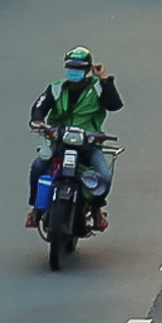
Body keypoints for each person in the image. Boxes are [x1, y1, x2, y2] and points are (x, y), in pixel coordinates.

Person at [25, 48, 123, 229]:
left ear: (87, 69)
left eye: (79, 67)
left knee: (105, 176)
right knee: (38, 166)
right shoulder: (55, 88)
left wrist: (103, 78)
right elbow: (39, 106)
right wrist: (38, 121)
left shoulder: (97, 87)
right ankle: (36, 209)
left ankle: (96, 209)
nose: (74, 70)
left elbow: (114, 105)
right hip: (59, 140)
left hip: (89, 143)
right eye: (70, 67)